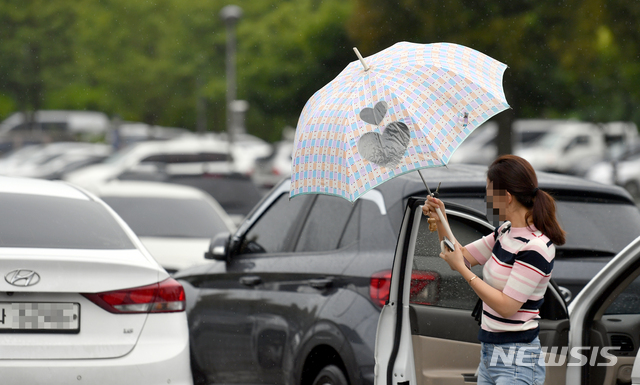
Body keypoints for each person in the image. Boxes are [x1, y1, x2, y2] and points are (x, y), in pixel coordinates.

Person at [423, 154, 566, 385]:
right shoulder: (505, 232)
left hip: (517, 360)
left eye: (489, 191)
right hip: (490, 353)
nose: (486, 198)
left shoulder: (535, 247)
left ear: (507, 197)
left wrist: (463, 270)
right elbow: (462, 255)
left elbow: (507, 306)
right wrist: (440, 216)